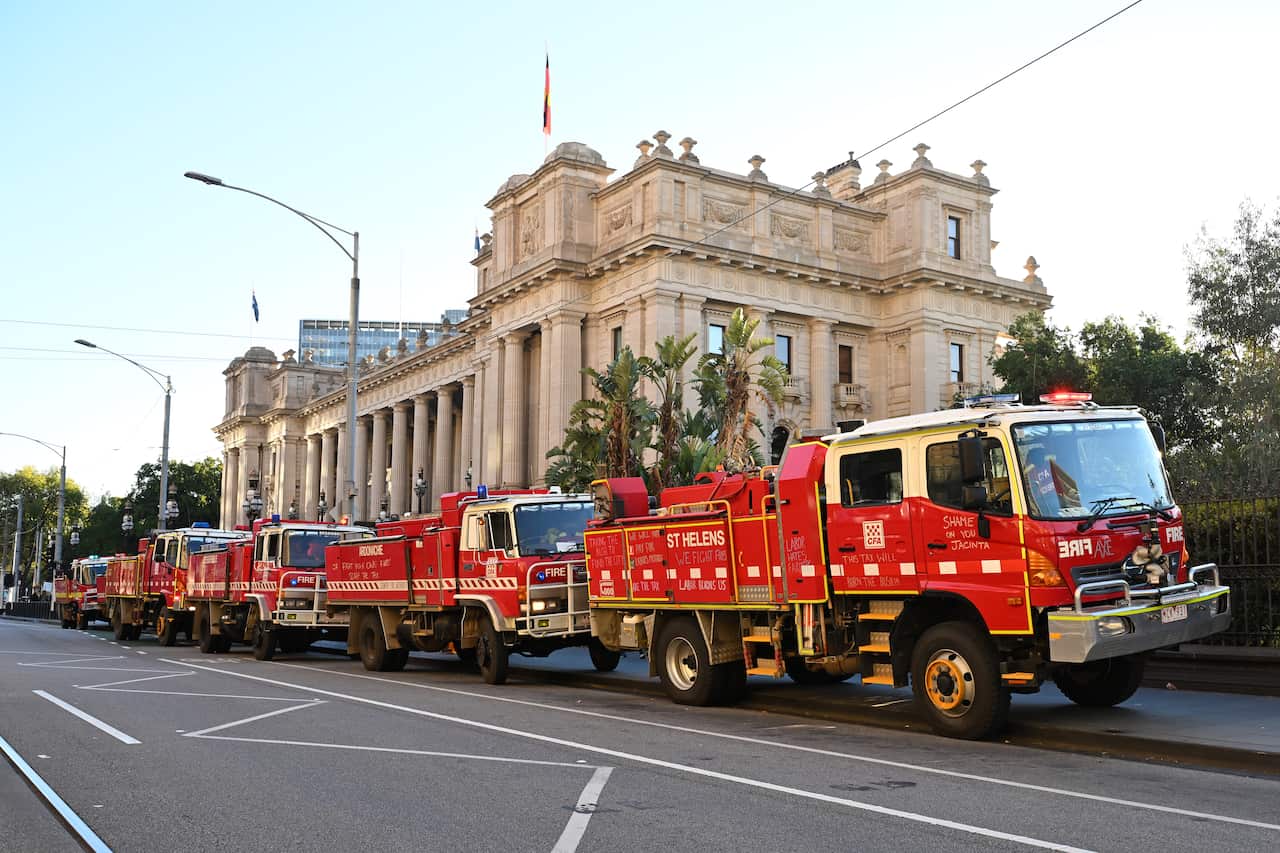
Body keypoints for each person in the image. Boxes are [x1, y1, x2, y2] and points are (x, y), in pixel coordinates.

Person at [1024, 447, 1060, 516]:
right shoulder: (1027, 472)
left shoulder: (1049, 464)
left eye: (1042, 455)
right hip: (1040, 504)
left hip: (1055, 498)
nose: (1041, 458)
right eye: (1038, 456)